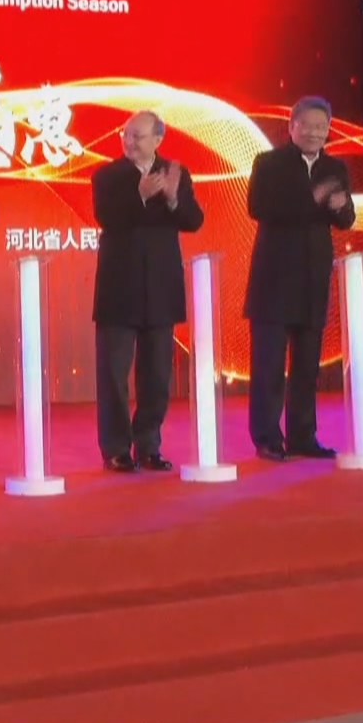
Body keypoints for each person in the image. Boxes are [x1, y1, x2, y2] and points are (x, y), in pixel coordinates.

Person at [90, 111, 204, 472]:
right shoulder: (107, 175)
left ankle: (149, 445)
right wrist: (138, 196)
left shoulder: (175, 173)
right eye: (126, 135)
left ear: (158, 139)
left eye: (137, 136)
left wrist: (172, 199)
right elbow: (106, 217)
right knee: (114, 374)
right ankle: (116, 448)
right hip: (118, 288)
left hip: (160, 288)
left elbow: (194, 221)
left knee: (156, 376)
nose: (129, 142)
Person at [245, 95, 354, 462]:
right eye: (306, 126)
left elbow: (346, 219)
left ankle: (303, 436)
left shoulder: (335, 167)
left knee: (307, 366)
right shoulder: (269, 163)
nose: (314, 133)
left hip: (313, 278)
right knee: (269, 366)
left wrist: (339, 207)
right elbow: (259, 207)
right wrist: (313, 199)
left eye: (321, 127)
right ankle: (267, 437)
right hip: (274, 279)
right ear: (292, 127)